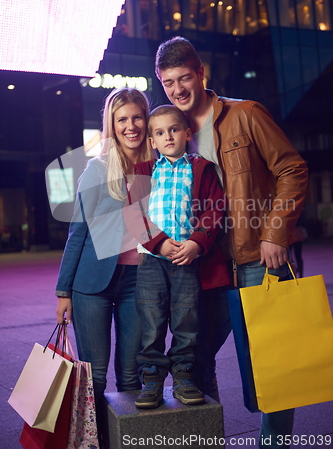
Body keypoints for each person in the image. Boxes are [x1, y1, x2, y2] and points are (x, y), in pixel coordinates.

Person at [154, 37, 308, 448]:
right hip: (209, 265)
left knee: (273, 366)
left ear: (200, 72)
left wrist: (275, 231)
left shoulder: (245, 114)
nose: (178, 89)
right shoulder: (174, 135)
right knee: (194, 359)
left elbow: (292, 169)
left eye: (184, 78)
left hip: (258, 259)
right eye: (169, 83)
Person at [55, 87, 153, 445]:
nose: (131, 126)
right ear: (112, 124)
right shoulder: (97, 170)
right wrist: (63, 291)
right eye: (122, 119)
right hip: (90, 285)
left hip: (139, 282)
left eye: (137, 117)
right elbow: (77, 232)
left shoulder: (159, 167)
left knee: (131, 375)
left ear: (146, 119)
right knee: (94, 377)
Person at [125, 105, 230, 409]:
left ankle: (184, 376)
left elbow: (214, 211)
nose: (167, 136)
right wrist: (157, 243)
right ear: (152, 142)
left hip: (187, 259)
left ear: (187, 133)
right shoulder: (144, 172)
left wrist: (197, 243)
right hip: (151, 261)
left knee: (187, 319)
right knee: (152, 321)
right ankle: (152, 380)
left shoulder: (202, 168)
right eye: (159, 132)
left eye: (173, 129)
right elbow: (133, 214)